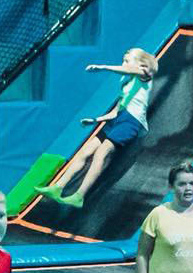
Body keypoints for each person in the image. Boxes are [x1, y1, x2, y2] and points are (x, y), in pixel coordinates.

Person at [38, 47, 158, 208]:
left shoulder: (144, 75)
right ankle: (58, 187)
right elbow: (116, 111)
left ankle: (79, 196)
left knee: (101, 153)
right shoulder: (126, 84)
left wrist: (103, 67)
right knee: (85, 151)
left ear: (140, 64)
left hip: (132, 122)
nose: (124, 63)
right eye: (123, 60)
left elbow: (130, 69)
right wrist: (95, 120)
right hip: (119, 118)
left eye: (127, 60)